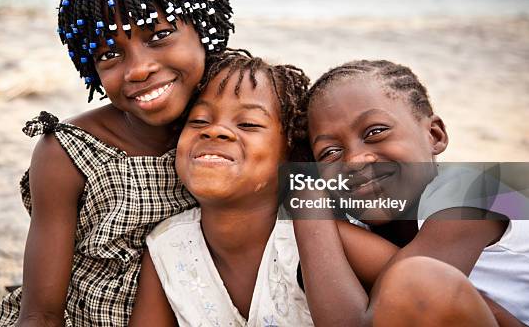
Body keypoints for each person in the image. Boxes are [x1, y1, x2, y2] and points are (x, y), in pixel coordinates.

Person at [0, 0, 234, 327]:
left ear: (204, 27)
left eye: (158, 35)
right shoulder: (68, 154)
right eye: (110, 54)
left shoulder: (247, 127)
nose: (138, 68)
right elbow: (41, 313)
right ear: (90, 67)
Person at [129, 51, 399, 326]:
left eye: (247, 124)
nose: (215, 131)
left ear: (290, 153)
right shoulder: (168, 246)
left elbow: (423, 291)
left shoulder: (320, 232)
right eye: (199, 121)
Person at [296, 60, 528, 326]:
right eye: (330, 152)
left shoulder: (471, 194)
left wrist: (307, 211)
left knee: (415, 279)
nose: (354, 161)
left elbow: (362, 322)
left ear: (434, 135)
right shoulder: (357, 227)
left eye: (375, 132)